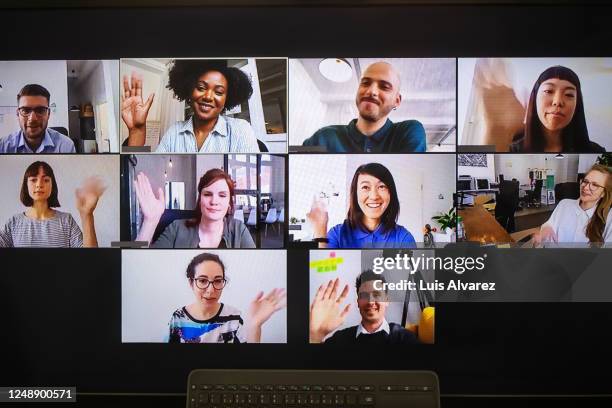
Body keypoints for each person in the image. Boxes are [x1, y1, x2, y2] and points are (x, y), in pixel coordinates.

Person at [121, 59, 260, 153]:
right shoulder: (174, 132)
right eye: (201, 87)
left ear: (227, 98)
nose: (208, 97)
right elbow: (139, 171)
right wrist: (136, 132)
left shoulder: (241, 130)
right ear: (189, 91)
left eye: (218, 92)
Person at [302, 62, 426, 153]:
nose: (371, 91)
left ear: (397, 101)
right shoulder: (323, 137)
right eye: (365, 83)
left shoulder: (408, 132)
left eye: (384, 87)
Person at [167, 252, 286, 343]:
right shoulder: (178, 318)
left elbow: (249, 364)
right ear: (191, 283)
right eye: (202, 281)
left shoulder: (234, 318)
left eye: (218, 281)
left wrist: (255, 326)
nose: (211, 290)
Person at [134, 168, 255, 248]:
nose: (214, 201)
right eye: (207, 194)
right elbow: (140, 264)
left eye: (222, 195)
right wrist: (150, 221)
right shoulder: (176, 228)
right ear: (200, 199)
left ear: (229, 203)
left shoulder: (239, 230)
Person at [306, 163, 416, 248]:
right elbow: (323, 272)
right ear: (355, 194)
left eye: (381, 186)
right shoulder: (338, 235)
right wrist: (320, 232)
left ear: (391, 193)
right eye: (365, 187)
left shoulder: (403, 238)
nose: (374, 196)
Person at [0, 161, 105, 247]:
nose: (39, 185)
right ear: (26, 185)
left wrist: (87, 214)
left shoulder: (66, 221)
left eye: (45, 180)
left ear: (52, 186)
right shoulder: (13, 222)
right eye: (33, 180)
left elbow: (89, 260)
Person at [510, 66, 605, 153]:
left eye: (569, 94)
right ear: (535, 98)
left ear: (577, 104)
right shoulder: (513, 150)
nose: (557, 101)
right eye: (548, 91)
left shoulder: (595, 152)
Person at [309, 272, 419, 344]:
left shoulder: (404, 338)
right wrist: (316, 334)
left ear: (386, 300)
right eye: (364, 296)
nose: (370, 302)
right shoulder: (340, 339)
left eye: (376, 295)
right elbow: (314, 370)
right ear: (358, 302)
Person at [532, 164, 611, 245]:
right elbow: (549, 225)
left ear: (603, 193)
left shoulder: (608, 217)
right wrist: (545, 231)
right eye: (585, 181)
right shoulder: (564, 204)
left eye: (595, 185)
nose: (586, 187)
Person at [0, 84, 76, 153]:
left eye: (40, 110)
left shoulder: (65, 146)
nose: (32, 119)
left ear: (48, 113)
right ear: (17, 114)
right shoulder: (3, 146)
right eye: (25, 110)